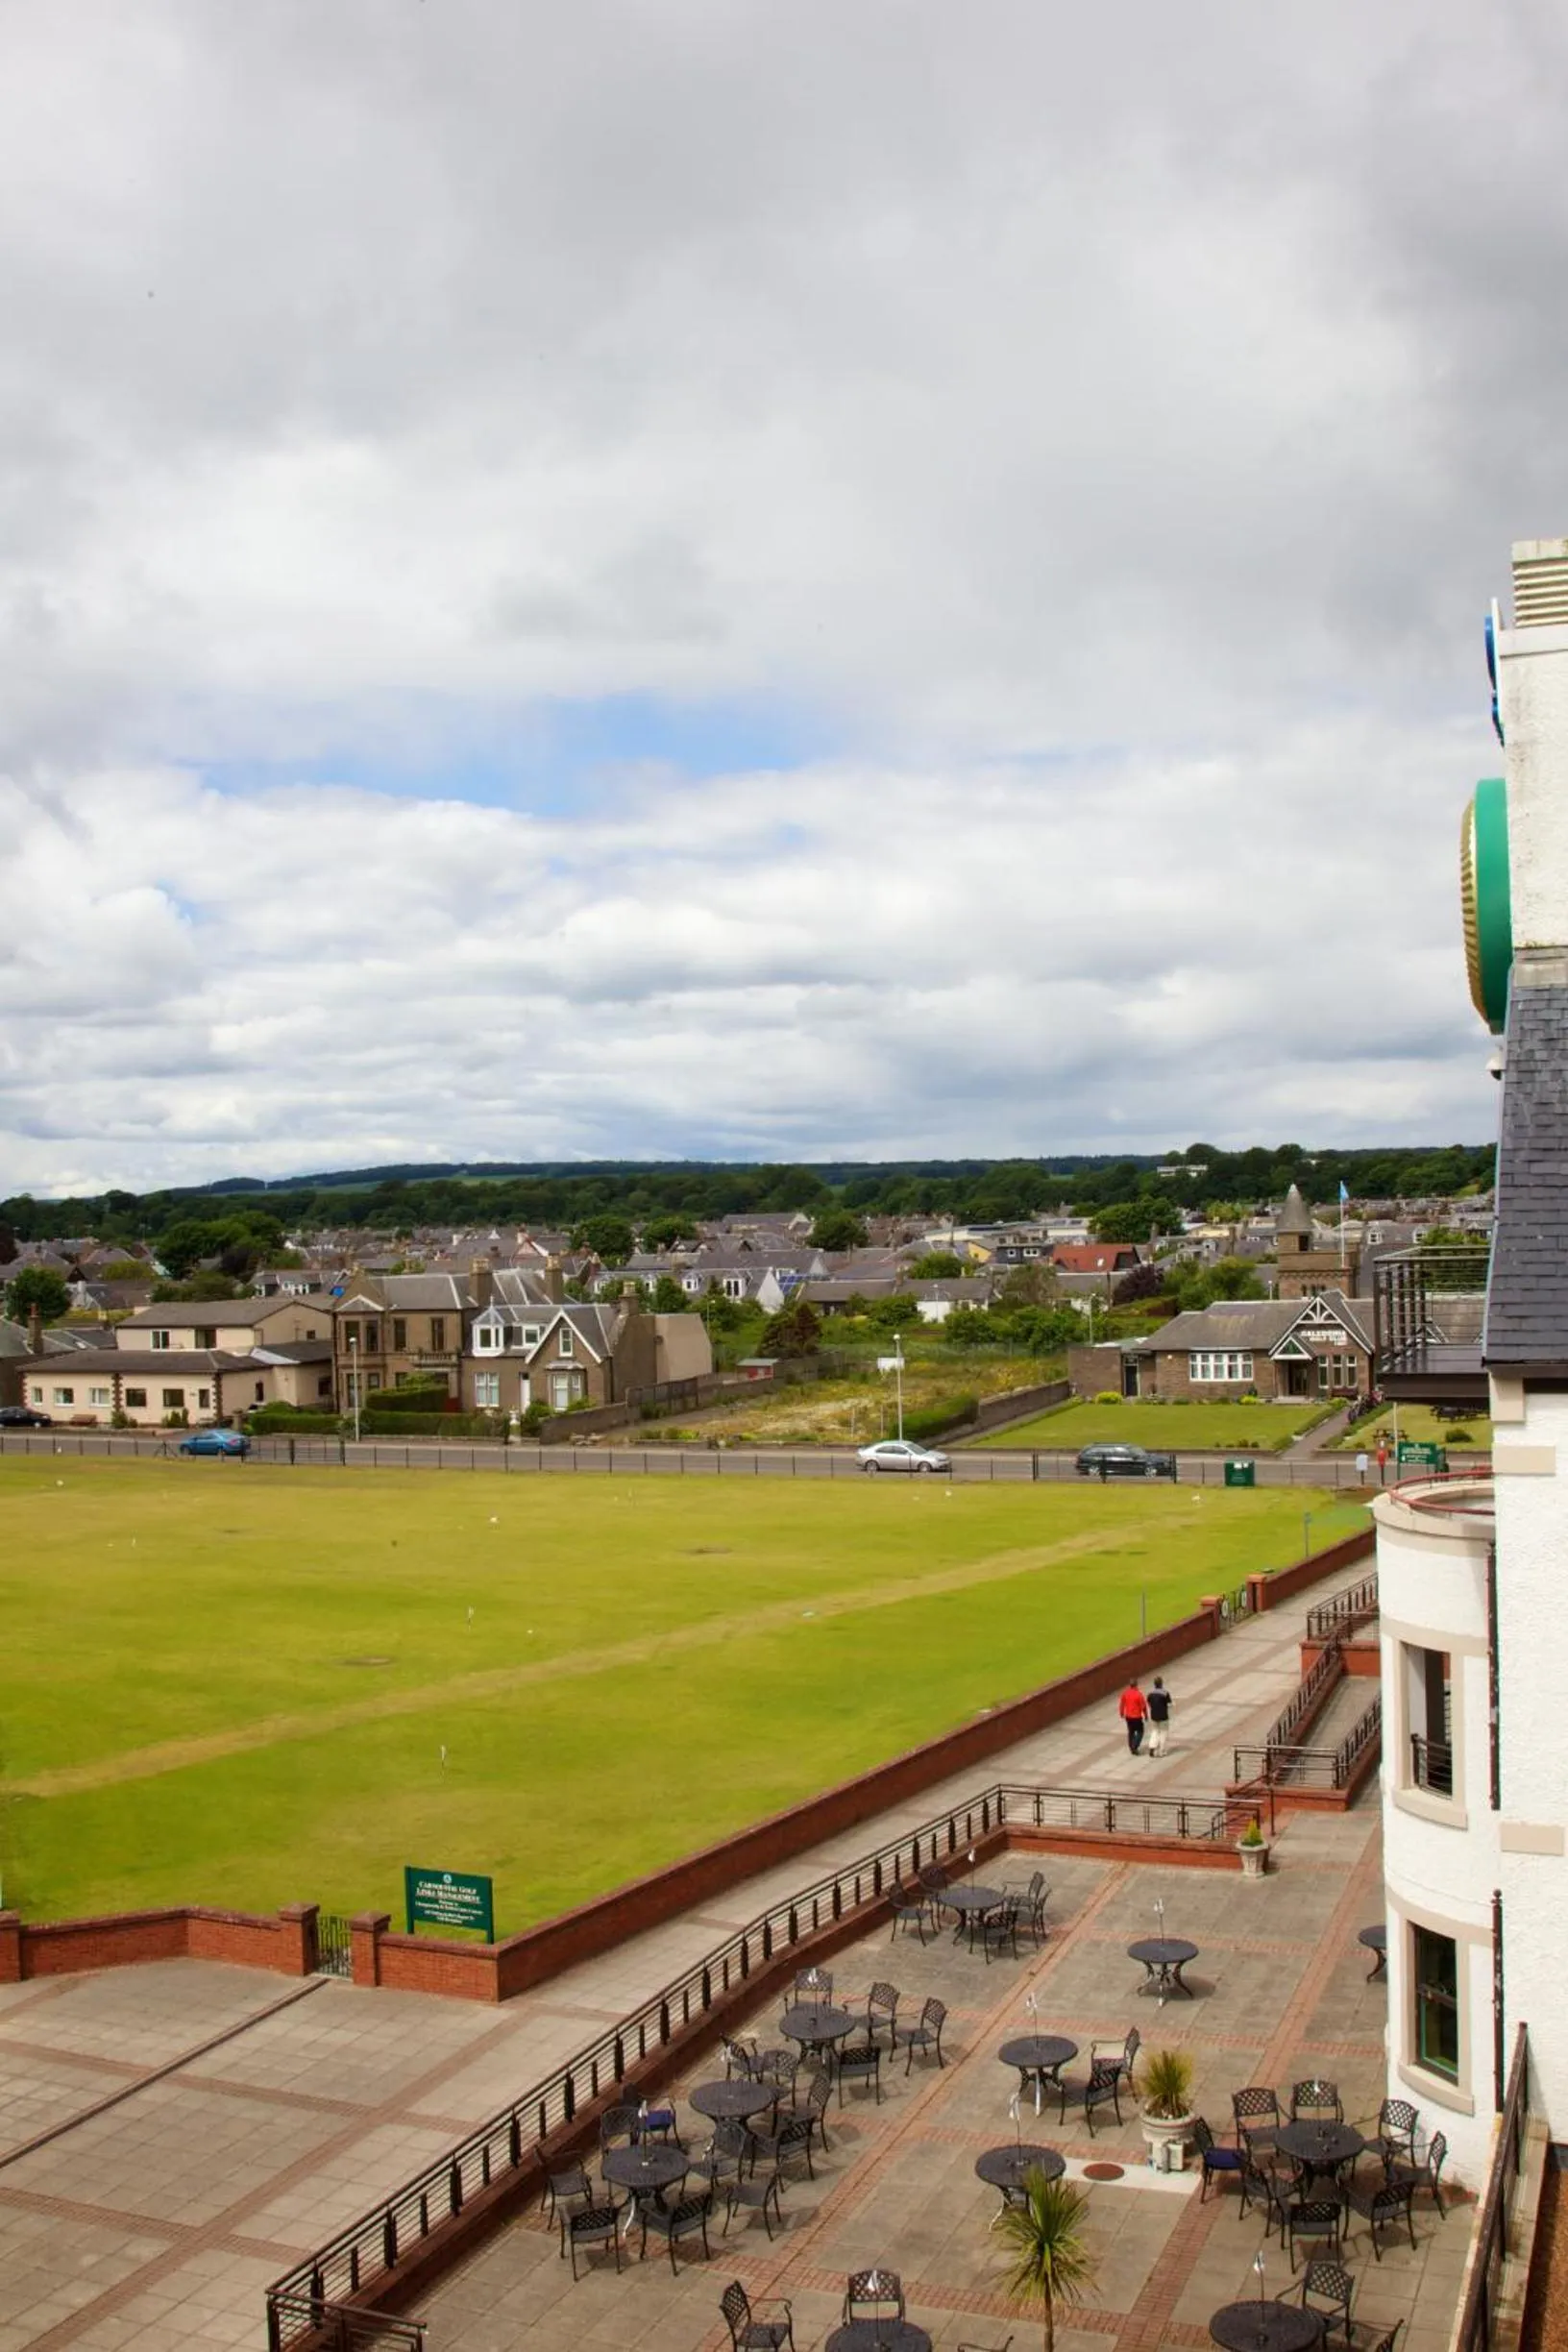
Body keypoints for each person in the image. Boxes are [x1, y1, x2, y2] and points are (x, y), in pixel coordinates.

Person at [1118, 1677, 1147, 1754]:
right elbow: (1143, 1707)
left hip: (1128, 1717)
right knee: (1140, 1732)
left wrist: (1121, 1713)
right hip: (1137, 1717)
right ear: (1136, 1685)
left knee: (1131, 1732)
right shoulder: (1139, 1694)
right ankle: (1135, 1746)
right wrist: (1146, 1716)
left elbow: (1122, 1704)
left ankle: (1131, 1746)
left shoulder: (1125, 1693)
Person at [1145, 1675, 1172, 1756]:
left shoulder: (1150, 1694)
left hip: (1154, 1715)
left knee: (1155, 1731)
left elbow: (1148, 1703)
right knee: (1163, 1733)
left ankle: (1152, 1747)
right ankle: (1161, 1751)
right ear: (1161, 1684)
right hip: (1163, 1716)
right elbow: (1169, 1704)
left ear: (1154, 1684)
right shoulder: (1165, 1693)